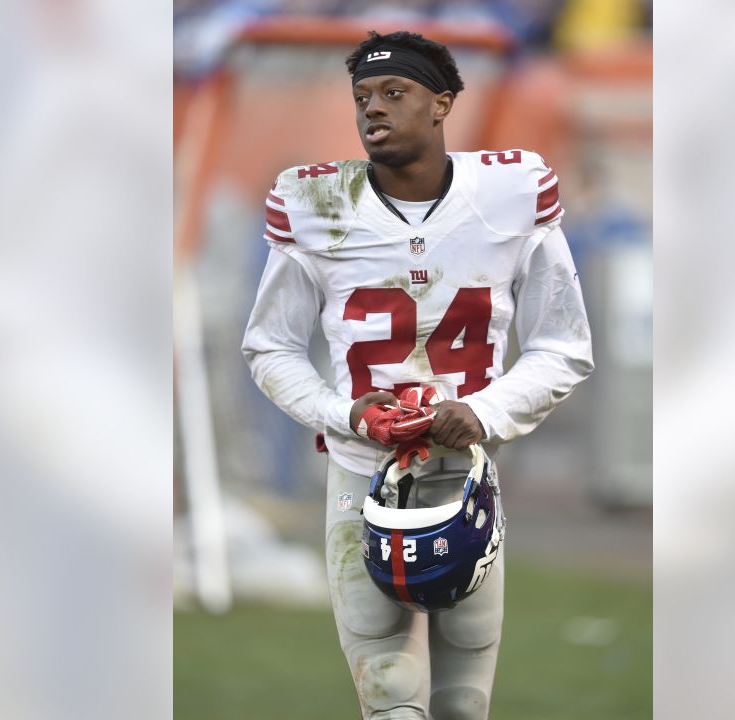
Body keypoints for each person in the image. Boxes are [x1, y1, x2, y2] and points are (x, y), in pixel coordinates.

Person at [241, 30, 594, 720]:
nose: (373, 108)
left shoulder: (510, 191)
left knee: (464, 702)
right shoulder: (317, 204)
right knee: (391, 696)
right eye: (362, 97)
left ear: (443, 104)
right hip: (360, 472)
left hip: (463, 469)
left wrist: (486, 412)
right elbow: (270, 347)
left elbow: (564, 344)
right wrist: (347, 414)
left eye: (394, 92)